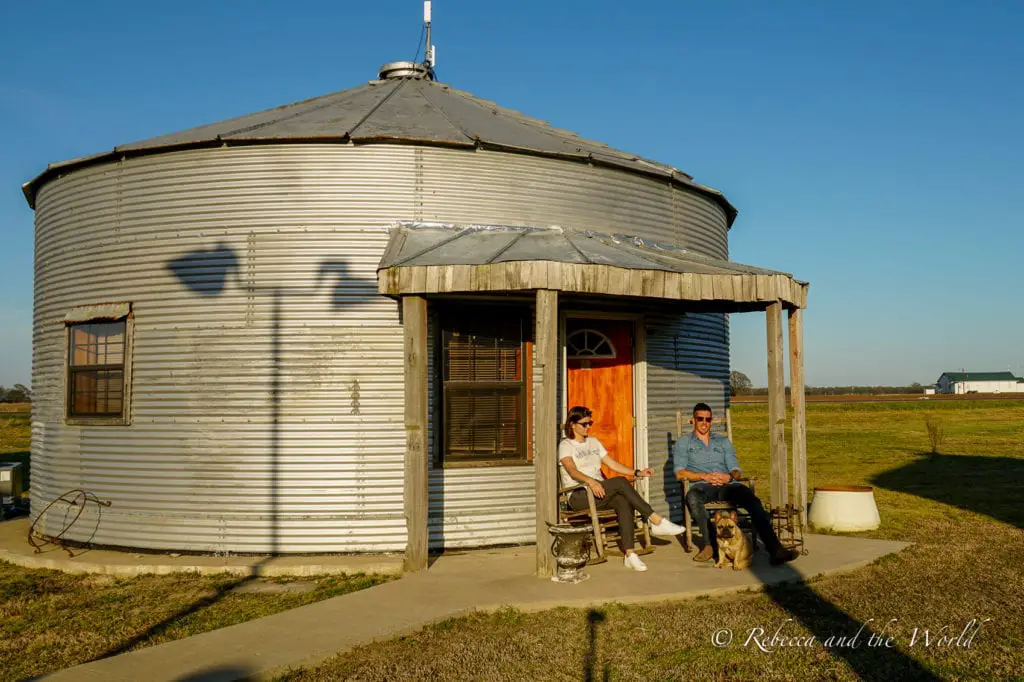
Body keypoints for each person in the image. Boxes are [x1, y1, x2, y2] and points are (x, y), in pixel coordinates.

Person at [560, 405, 685, 571]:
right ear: (572, 424)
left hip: (598, 492)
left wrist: (637, 472)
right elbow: (571, 470)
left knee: (622, 501)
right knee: (619, 482)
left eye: (590, 423)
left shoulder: (594, 442)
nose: (588, 427)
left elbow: (612, 464)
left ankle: (630, 554)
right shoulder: (566, 445)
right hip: (578, 495)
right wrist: (590, 481)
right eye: (584, 424)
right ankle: (655, 520)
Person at [673, 402, 799, 566]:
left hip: (728, 485)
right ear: (693, 420)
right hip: (703, 484)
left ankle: (775, 550)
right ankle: (709, 545)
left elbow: (736, 470)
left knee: (753, 501)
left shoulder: (723, 441)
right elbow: (679, 473)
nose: (704, 422)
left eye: (708, 419)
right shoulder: (684, 442)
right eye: (700, 418)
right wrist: (703, 476)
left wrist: (729, 476)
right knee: (692, 497)